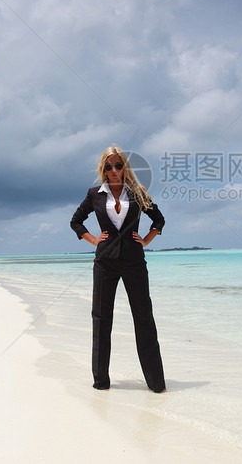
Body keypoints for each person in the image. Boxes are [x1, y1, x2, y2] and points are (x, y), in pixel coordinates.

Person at [70, 146, 167, 393]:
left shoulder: (137, 192)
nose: (114, 171)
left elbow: (159, 219)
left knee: (144, 319)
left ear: (125, 167)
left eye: (119, 166)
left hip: (134, 262)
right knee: (101, 321)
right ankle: (101, 383)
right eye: (109, 167)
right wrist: (94, 240)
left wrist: (146, 240)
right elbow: (76, 221)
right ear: (103, 169)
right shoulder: (95, 194)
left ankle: (157, 385)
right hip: (105, 263)